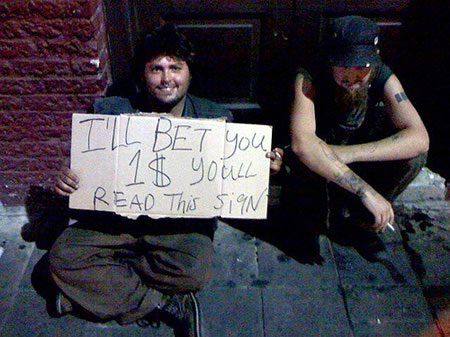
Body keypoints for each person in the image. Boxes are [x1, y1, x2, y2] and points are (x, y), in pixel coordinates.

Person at [48, 24, 283, 336]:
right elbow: (84, 163)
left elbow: (230, 180)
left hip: (177, 228)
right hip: (114, 222)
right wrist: (68, 174)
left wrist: (260, 168)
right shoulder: (112, 112)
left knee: (196, 272)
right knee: (62, 257)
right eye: (155, 69)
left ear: (188, 72)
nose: (166, 78)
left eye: (175, 67)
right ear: (142, 75)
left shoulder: (216, 118)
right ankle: (162, 304)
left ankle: (96, 291)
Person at [283, 16, 429, 259]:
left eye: (361, 66)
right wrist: (364, 191)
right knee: (306, 209)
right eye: (344, 65)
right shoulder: (310, 76)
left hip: (353, 156)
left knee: (415, 157)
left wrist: (348, 155)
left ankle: (360, 222)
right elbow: (303, 143)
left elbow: (420, 137)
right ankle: (319, 217)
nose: (353, 74)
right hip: (320, 165)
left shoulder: (381, 75)